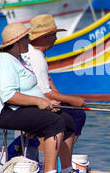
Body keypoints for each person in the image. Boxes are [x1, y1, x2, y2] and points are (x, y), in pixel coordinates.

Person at [0, 23, 91, 173]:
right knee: (55, 122)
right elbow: (8, 96)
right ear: (19, 41)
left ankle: (67, 170)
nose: (29, 40)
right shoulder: (4, 61)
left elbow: (31, 89)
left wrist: (47, 102)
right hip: (3, 112)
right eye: (27, 38)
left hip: (18, 108)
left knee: (68, 120)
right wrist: (39, 102)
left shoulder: (17, 59)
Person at [21, 14, 87, 149]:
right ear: (44, 37)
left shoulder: (30, 52)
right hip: (31, 103)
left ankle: (56, 157)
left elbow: (47, 81)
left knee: (70, 109)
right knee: (77, 115)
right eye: (53, 35)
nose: (56, 39)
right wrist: (74, 101)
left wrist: (64, 99)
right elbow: (45, 92)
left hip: (31, 99)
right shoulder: (37, 57)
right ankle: (57, 159)